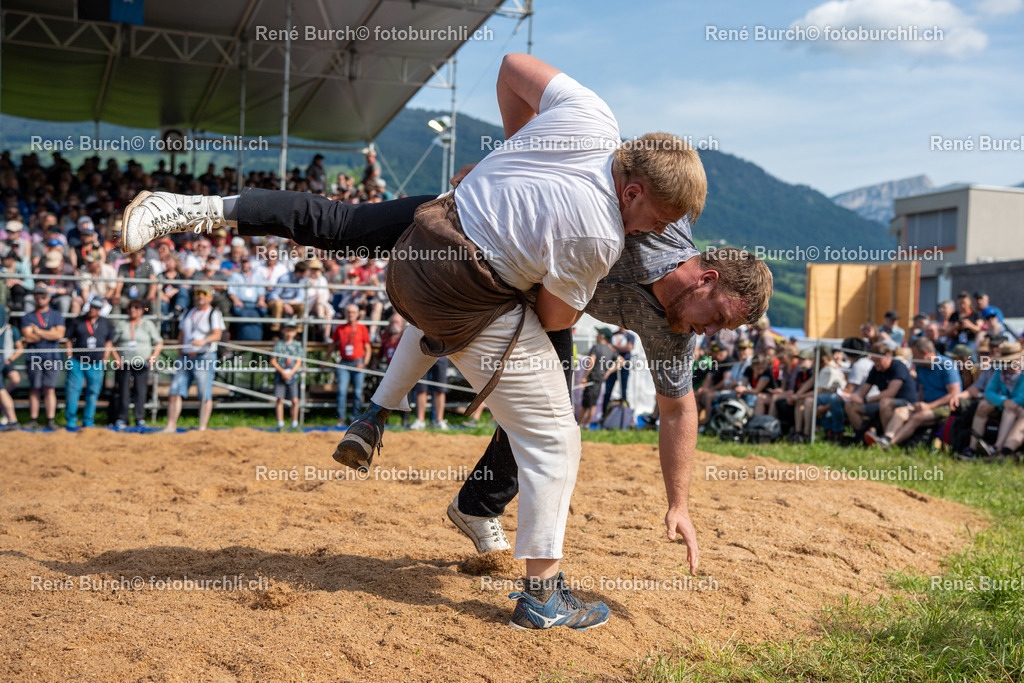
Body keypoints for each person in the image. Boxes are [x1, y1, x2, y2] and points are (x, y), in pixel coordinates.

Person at [119, 55, 769, 630]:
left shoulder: (668, 316)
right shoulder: (617, 228)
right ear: (704, 271)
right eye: (723, 316)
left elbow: (680, 408)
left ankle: (431, 463)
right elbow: (554, 306)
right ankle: (191, 209)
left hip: (479, 243)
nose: (718, 334)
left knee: (536, 398)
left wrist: (679, 503)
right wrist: (518, 159)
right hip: (496, 267)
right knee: (546, 425)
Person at [866, 337, 961, 449]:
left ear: (925, 353)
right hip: (925, 405)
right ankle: (886, 438)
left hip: (944, 407)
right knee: (899, 412)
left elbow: (954, 393)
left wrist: (929, 406)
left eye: (914, 355)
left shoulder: (946, 364)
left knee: (916, 417)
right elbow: (921, 389)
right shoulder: (920, 366)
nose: (913, 359)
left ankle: (889, 445)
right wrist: (918, 403)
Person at [164, 287, 224, 432]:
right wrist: (180, 352)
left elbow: (217, 334)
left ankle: (202, 427)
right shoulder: (187, 313)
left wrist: (204, 341)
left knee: (204, 393)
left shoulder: (214, 313)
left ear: (210, 297)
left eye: (204, 294)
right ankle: (170, 426)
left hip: (204, 356)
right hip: (185, 357)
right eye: (197, 293)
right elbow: (181, 334)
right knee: (175, 391)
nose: (199, 296)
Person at [962, 341, 1024, 460]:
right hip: (1005, 404)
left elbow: (1022, 396)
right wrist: (1003, 401)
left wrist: (1009, 402)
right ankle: (972, 448)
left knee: (1010, 411)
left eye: (1010, 361)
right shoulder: (999, 371)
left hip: (1017, 407)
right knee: (983, 405)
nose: (1008, 364)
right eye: (1006, 361)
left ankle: (998, 448)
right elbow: (989, 392)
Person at [844, 342, 917, 437]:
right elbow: (863, 391)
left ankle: (886, 439)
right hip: (883, 402)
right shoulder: (875, 369)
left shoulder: (898, 367)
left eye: (878, 361)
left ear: (887, 356)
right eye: (874, 361)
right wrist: (851, 397)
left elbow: (890, 393)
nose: (876, 364)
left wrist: (864, 400)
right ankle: (862, 436)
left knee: (885, 402)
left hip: (906, 403)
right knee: (850, 406)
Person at [110, 298, 163, 429]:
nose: (133, 310)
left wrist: (153, 357)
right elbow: (111, 343)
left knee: (141, 390)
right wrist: (116, 358)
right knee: (123, 391)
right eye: (131, 307)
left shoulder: (148, 324)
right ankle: (122, 418)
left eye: (136, 307)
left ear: (141, 310)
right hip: (125, 362)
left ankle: (140, 418)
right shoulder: (122, 324)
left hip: (142, 363)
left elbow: (159, 342)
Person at [63, 295, 114, 428]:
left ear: (100, 309)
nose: (93, 310)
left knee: (93, 392)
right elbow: (68, 339)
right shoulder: (77, 321)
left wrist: (105, 358)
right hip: (77, 361)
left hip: (96, 363)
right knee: (73, 391)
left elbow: (109, 341)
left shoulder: (106, 323)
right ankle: (71, 420)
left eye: (96, 308)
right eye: (92, 307)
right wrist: (69, 357)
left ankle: (88, 420)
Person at [20, 285, 66, 430]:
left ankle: (50, 420)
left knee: (49, 389)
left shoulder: (56, 315)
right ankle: (33, 419)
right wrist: (49, 333)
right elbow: (28, 338)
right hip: (34, 356)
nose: (40, 299)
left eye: (43, 296)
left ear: (49, 297)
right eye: (37, 297)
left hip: (52, 356)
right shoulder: (28, 317)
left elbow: (59, 335)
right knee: (34, 388)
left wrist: (38, 331)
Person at [328, 304, 371, 427]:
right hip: (344, 362)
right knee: (342, 391)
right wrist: (326, 359)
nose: (350, 314)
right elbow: (333, 344)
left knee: (358, 392)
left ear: (357, 314)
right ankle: (341, 418)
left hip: (358, 363)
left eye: (353, 312)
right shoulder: (340, 328)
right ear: (345, 314)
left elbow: (367, 348)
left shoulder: (362, 328)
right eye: (348, 312)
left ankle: (355, 418)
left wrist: (364, 363)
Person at [577, 327, 621, 429]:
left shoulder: (596, 347)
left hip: (591, 379)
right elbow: (622, 361)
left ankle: (580, 425)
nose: (596, 335)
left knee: (586, 405)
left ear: (602, 336)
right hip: (599, 380)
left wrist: (584, 377)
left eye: (598, 333)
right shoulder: (610, 350)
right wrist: (609, 371)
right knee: (593, 403)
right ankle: (586, 425)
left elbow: (591, 361)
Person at [271, 320, 303, 431]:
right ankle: (280, 424)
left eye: (292, 330)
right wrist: (283, 372)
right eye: (287, 330)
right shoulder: (279, 345)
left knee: (294, 400)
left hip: (292, 375)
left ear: (295, 332)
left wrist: (291, 373)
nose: (289, 332)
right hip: (281, 374)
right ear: (283, 331)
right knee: (280, 399)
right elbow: (273, 360)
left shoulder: (298, 345)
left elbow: (299, 361)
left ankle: (294, 423)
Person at [0, 301, 23, 430]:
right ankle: (11, 420)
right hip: (2, 358)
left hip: (5, 359)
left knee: (3, 389)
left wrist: (10, 359)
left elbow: (19, 348)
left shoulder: (12, 329)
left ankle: (12, 420)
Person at [411, 358, 450, 430]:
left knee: (440, 390)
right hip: (423, 354)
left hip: (442, 355)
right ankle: (420, 420)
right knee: (421, 389)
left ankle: (439, 421)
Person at [602, 326, 636, 411]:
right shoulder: (613, 335)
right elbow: (608, 347)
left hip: (625, 365)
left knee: (624, 390)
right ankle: (604, 413)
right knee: (608, 390)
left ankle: (623, 412)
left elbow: (629, 347)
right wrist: (623, 348)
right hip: (613, 365)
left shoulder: (630, 336)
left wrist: (615, 347)